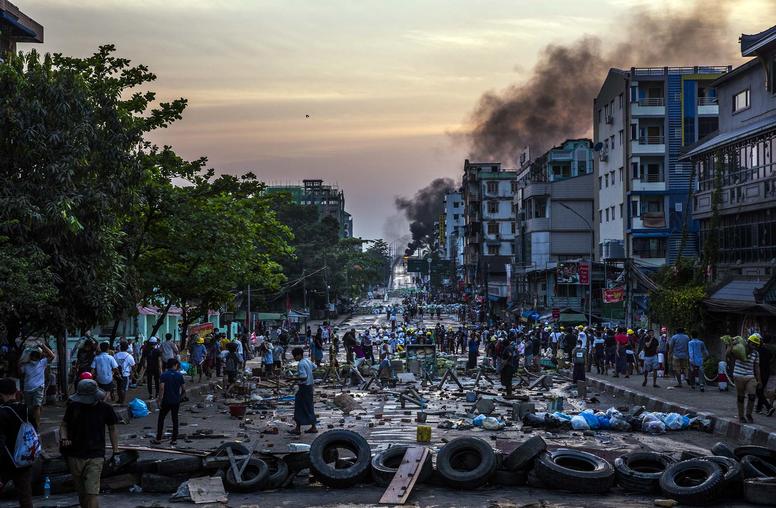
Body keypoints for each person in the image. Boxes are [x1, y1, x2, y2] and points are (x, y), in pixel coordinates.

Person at [60, 379, 119, 508]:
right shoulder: (73, 407)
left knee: (92, 493)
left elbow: (112, 429)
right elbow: (64, 425)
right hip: (74, 454)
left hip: (96, 454)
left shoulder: (105, 408)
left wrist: (116, 452)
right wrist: (64, 438)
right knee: (82, 493)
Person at [0, 378, 34, 508]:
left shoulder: (2, 412)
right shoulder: (26, 409)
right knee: (25, 496)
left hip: (6, 459)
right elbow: (34, 431)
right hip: (24, 457)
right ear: (16, 391)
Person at [19, 344, 54, 429]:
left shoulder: (42, 362)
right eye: (33, 355)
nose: (35, 357)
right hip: (27, 389)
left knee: (37, 406)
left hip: (39, 388)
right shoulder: (25, 365)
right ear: (30, 356)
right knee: (29, 409)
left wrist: (42, 345)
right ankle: (31, 423)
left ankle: (37, 426)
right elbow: (20, 371)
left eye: (36, 355)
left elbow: (52, 355)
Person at [152, 359, 185, 446]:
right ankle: (174, 439)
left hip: (166, 400)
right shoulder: (179, 375)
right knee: (175, 419)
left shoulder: (164, 375)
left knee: (161, 419)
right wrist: (180, 397)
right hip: (176, 401)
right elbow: (183, 389)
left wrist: (159, 400)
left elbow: (161, 388)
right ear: (175, 365)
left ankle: (158, 438)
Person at [729, 334, 761, 423]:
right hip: (738, 375)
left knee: (752, 395)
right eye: (752, 344)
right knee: (741, 397)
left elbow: (757, 367)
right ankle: (741, 416)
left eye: (756, 345)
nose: (754, 346)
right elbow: (728, 355)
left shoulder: (756, 354)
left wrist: (759, 380)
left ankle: (749, 414)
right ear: (748, 342)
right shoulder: (740, 349)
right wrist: (730, 345)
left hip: (750, 376)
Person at [288, 347, 317, 435]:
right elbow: (314, 367)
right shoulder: (307, 360)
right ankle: (313, 426)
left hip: (304, 387)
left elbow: (304, 377)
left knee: (299, 407)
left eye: (295, 356)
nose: (294, 358)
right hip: (310, 387)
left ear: (299, 355)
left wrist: (293, 378)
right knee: (309, 406)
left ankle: (298, 428)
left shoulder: (301, 364)